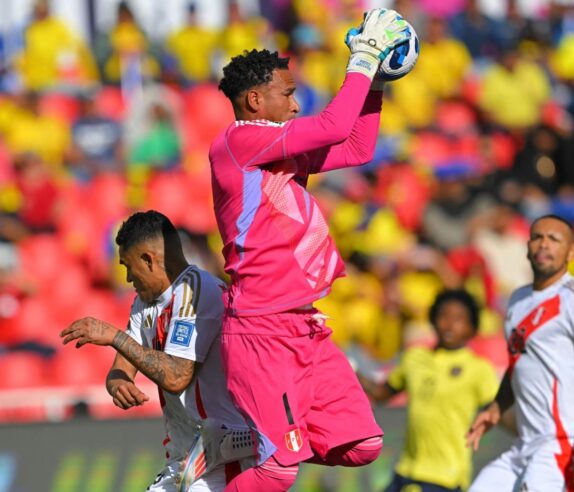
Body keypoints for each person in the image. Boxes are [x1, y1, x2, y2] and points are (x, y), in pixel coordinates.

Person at [208, 9, 411, 491]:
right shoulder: (237, 143)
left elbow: (357, 147)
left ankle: (251, 444)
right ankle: (263, 451)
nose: (296, 105)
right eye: (289, 93)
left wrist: (377, 81)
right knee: (279, 470)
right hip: (261, 330)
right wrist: (363, 58)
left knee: (361, 444)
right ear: (255, 100)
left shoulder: (274, 151)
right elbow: (335, 126)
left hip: (302, 326)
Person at [59, 211, 274, 491]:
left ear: (148, 259)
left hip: (225, 457)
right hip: (186, 458)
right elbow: (122, 364)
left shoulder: (198, 293)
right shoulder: (143, 303)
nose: (126, 278)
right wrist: (118, 383)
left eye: (128, 266)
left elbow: (176, 376)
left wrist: (113, 336)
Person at [467, 215, 574, 491]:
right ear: (527, 247)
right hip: (523, 446)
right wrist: (496, 407)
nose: (544, 245)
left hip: (560, 444)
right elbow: (519, 365)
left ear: (571, 251)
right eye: (538, 237)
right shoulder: (517, 300)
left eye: (554, 239)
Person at [359, 289, 498, 492]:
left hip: (446, 476)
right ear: (433, 319)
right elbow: (381, 394)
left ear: (472, 327)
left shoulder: (479, 369)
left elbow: (497, 410)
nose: (450, 324)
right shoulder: (415, 357)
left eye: (459, 318)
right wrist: (350, 372)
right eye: (444, 315)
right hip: (406, 469)